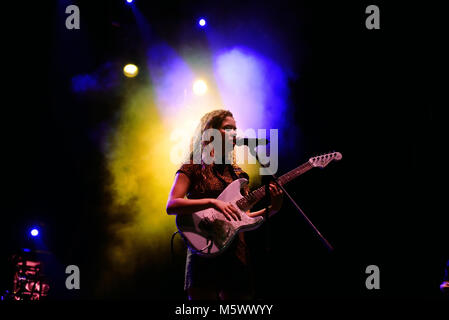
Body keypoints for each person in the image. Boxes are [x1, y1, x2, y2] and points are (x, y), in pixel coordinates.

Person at [166, 109, 283, 300]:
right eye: (227, 128)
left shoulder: (239, 175)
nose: (234, 133)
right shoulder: (193, 166)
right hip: (203, 248)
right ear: (210, 132)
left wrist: (274, 209)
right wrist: (213, 203)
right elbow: (172, 205)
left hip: (236, 255)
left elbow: (243, 219)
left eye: (235, 129)